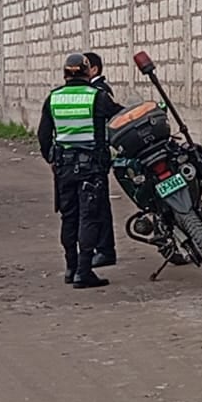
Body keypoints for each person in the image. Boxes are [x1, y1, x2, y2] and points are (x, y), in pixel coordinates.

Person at [39, 52, 123, 288]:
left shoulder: (53, 98)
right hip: (91, 168)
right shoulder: (97, 96)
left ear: (65, 74)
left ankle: (71, 268)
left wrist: (51, 159)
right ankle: (84, 271)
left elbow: (43, 135)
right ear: (88, 72)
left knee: (69, 217)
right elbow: (121, 117)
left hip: (64, 168)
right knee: (89, 217)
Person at [82, 51, 118, 269]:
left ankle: (105, 250)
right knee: (94, 204)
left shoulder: (99, 92)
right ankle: (100, 249)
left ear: (94, 69)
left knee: (99, 205)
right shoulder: (94, 91)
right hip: (90, 157)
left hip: (96, 156)